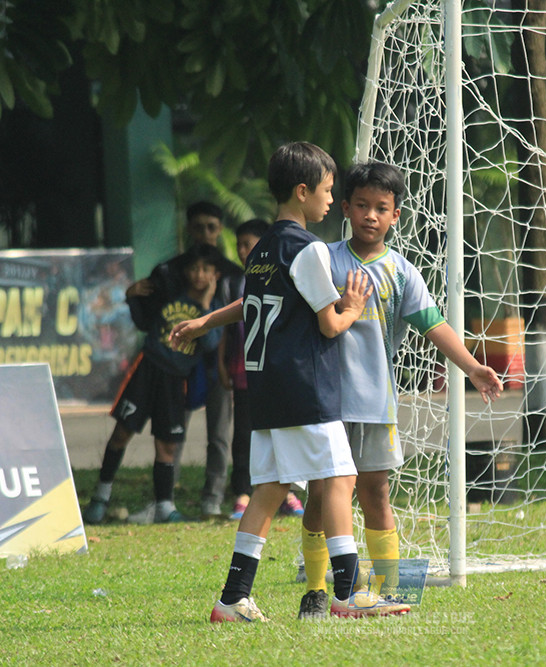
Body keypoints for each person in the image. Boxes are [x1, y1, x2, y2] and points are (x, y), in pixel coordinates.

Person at [170, 141, 406, 622]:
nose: (329, 199)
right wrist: (353, 308)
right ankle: (346, 594)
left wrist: (202, 323)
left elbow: (255, 307)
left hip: (266, 391)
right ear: (302, 192)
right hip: (306, 387)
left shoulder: (260, 252)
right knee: (340, 478)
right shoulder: (309, 248)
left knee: (271, 489)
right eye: (326, 190)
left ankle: (233, 598)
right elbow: (329, 324)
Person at [296, 161, 504, 619]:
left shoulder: (402, 272)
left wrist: (472, 367)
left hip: (377, 405)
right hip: (327, 403)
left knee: (376, 493)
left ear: (396, 216)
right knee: (321, 495)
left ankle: (391, 590)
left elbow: (433, 325)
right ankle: (314, 588)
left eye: (382, 208)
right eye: (363, 205)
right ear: (345, 208)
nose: (371, 215)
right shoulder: (323, 259)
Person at [81, 243, 226, 525]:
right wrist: (131, 297)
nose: (198, 275)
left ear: (215, 274)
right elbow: (144, 322)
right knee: (122, 433)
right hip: (147, 370)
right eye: (194, 268)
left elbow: (209, 344)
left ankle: (164, 506)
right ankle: (100, 497)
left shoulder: (214, 309)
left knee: (167, 445)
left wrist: (206, 306)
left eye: (205, 270)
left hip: (175, 381)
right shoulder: (171, 294)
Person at [127, 201, 243, 523]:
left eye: (212, 226)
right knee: (170, 433)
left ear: (220, 230)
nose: (205, 233)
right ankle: (165, 500)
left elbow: (240, 325)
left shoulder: (234, 274)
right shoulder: (168, 272)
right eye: (198, 226)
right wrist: (132, 297)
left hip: (218, 367)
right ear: (188, 229)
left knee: (219, 436)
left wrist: (229, 365)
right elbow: (149, 320)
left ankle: (213, 500)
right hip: (177, 367)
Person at [221, 218, 306, 520]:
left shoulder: (283, 272)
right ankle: (243, 492)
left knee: (285, 435)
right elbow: (231, 328)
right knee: (245, 435)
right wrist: (221, 361)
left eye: (249, 244)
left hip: (279, 375)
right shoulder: (235, 280)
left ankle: (290, 492)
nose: (244, 251)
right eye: (240, 245)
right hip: (246, 375)